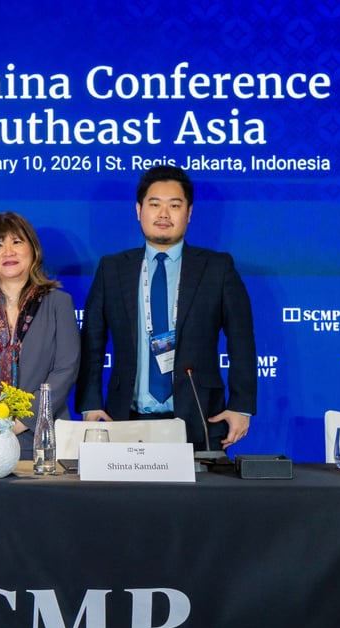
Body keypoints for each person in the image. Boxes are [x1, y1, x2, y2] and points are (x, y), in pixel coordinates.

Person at [76, 165, 256, 451]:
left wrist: (241, 406)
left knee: (195, 498)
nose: (163, 214)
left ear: (189, 213)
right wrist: (90, 402)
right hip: (123, 418)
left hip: (199, 418)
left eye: (174, 205)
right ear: (138, 210)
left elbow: (242, 342)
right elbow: (92, 343)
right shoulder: (112, 269)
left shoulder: (217, 268)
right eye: (154, 204)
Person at [0, 212, 80, 459]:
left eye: (17, 242)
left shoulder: (58, 303)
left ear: (33, 250)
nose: (8, 251)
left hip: (38, 436)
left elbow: (65, 370)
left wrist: (18, 422)